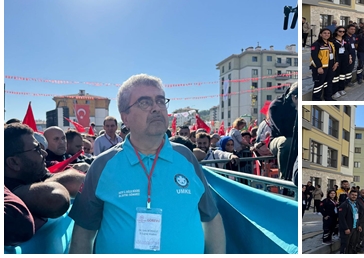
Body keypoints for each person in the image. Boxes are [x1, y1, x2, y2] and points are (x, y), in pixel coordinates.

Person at [68, 74, 225, 254]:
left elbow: (212, 218)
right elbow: (83, 234)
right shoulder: (103, 164)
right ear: (125, 117)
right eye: (145, 102)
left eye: (160, 101)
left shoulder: (185, 157)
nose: (156, 108)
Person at [5, 124, 85, 239]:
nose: (44, 153)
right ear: (14, 162)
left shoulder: (33, 174)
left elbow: (76, 181)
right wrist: (17, 193)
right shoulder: (6, 189)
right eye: (37, 149)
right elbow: (56, 198)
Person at [267, 82, 298, 181]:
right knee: (287, 142)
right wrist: (297, 109)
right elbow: (283, 130)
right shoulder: (276, 106)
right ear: (294, 97)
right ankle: (285, 178)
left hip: (295, 139)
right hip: (277, 140)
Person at [310, 28, 336, 101]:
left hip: (330, 67)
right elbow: (314, 56)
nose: (327, 34)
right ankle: (316, 99)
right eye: (324, 33)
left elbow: (334, 55)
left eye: (328, 33)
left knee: (328, 83)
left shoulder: (330, 44)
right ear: (321, 34)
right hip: (320, 67)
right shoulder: (316, 44)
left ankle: (328, 97)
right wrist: (319, 67)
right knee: (319, 84)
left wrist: (335, 63)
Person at [331, 26, 351, 99]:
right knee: (336, 76)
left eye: (343, 31)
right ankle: (335, 91)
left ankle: (341, 89)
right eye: (340, 31)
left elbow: (348, 50)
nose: (342, 33)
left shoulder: (345, 40)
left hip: (345, 59)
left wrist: (350, 57)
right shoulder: (333, 41)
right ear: (336, 31)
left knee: (342, 75)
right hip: (337, 60)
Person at [338, 190, 361, 254]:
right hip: (347, 228)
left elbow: (357, 216)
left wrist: (358, 225)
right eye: (352, 195)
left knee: (352, 244)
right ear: (349, 195)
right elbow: (341, 218)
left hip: (354, 228)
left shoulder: (356, 204)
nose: (354, 196)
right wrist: (346, 228)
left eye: (355, 195)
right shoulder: (344, 204)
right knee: (345, 244)